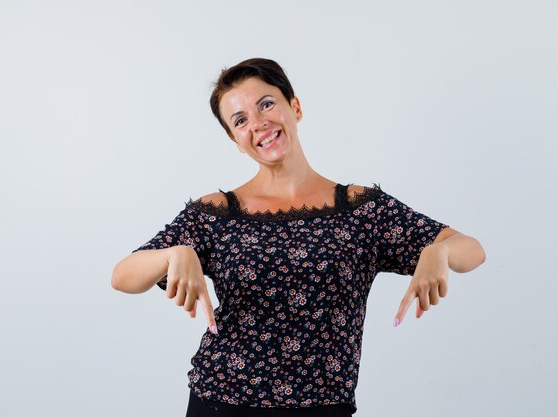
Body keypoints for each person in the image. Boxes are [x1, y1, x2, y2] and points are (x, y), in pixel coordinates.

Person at [111, 58, 486, 417]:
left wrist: (438, 250)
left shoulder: (359, 209)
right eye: (240, 120)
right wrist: (173, 254)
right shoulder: (217, 213)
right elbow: (123, 276)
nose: (258, 124)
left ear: (295, 107)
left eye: (267, 104)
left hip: (325, 407)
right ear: (235, 140)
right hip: (220, 402)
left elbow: (472, 250)